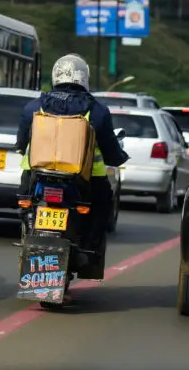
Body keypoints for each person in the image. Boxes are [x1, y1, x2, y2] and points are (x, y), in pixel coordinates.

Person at [15, 54, 129, 252]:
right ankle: (88, 248)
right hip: (86, 179)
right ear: (83, 77)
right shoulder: (97, 110)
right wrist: (117, 158)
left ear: (55, 76)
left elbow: (22, 140)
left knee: (26, 205)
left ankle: (29, 229)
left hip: (36, 175)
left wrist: (20, 147)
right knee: (102, 209)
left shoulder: (35, 106)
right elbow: (110, 149)